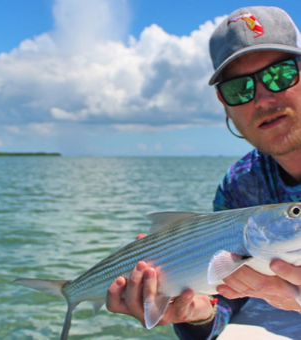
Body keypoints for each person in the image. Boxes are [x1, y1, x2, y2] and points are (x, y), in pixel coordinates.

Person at [106, 6, 301, 340]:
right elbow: (225, 298)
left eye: (279, 74)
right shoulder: (239, 186)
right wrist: (196, 313)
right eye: (239, 89)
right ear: (224, 105)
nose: (263, 99)